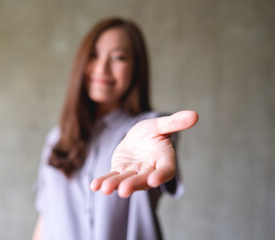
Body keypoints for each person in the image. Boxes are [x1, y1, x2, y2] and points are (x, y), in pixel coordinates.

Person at [32, 17, 198, 240]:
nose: (102, 68)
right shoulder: (57, 138)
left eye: (119, 57)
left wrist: (160, 138)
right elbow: (45, 219)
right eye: (93, 55)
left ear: (136, 68)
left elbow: (158, 132)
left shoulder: (146, 131)